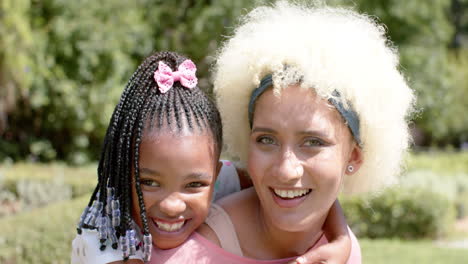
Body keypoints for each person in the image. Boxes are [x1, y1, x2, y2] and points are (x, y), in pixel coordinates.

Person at [152, 1, 415, 263]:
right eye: (266, 140)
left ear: (354, 158)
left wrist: (341, 239)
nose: (286, 171)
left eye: (313, 142)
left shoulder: (342, 252)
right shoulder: (186, 256)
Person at [70, 51, 353, 264]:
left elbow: (300, 187)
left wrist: (341, 239)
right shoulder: (106, 237)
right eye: (149, 182)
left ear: (216, 175)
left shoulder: (226, 179)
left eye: (194, 185)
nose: (171, 205)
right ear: (124, 174)